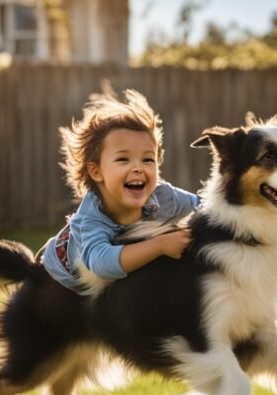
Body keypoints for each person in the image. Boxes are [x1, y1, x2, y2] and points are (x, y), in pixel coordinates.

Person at [41, 89, 198, 294]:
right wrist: (160, 245)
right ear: (96, 171)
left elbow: (203, 208)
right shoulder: (91, 218)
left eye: (148, 159)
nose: (138, 168)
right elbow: (102, 265)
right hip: (61, 281)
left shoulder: (163, 196)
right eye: (123, 159)